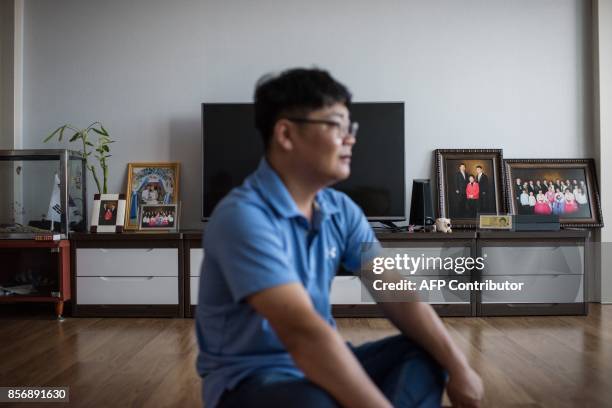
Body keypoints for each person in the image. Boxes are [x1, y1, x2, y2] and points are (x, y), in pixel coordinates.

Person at [196, 68, 483, 408]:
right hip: (252, 379)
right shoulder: (242, 217)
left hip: (322, 361)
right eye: (336, 125)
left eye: (351, 127)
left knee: (428, 354)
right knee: (314, 403)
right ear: (286, 134)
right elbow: (302, 334)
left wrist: (459, 366)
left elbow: (397, 293)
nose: (350, 138)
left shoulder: (341, 210)